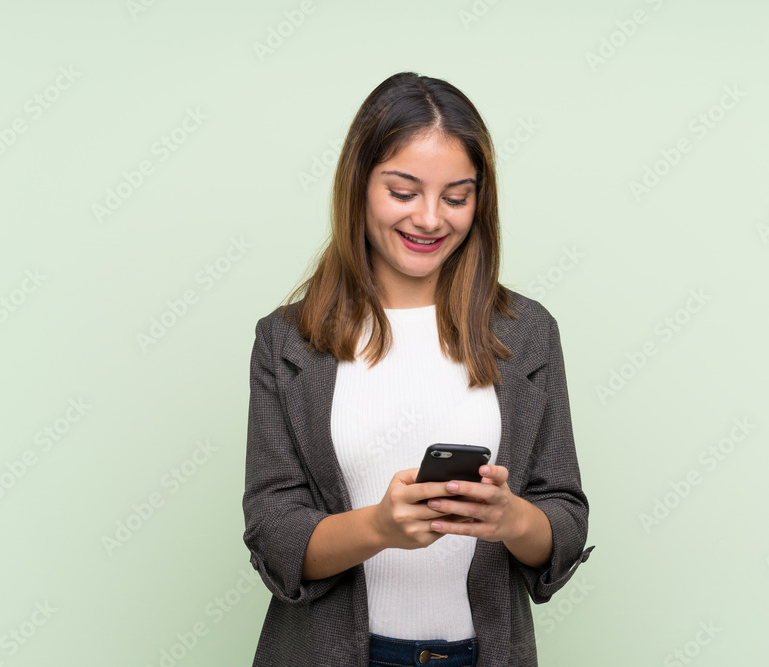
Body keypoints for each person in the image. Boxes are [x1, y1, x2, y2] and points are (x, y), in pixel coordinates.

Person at [242, 71, 594, 667]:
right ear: (358, 187)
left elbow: (564, 515)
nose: (431, 219)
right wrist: (379, 527)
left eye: (456, 197)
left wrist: (511, 517)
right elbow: (274, 530)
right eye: (404, 192)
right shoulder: (287, 340)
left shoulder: (528, 333)